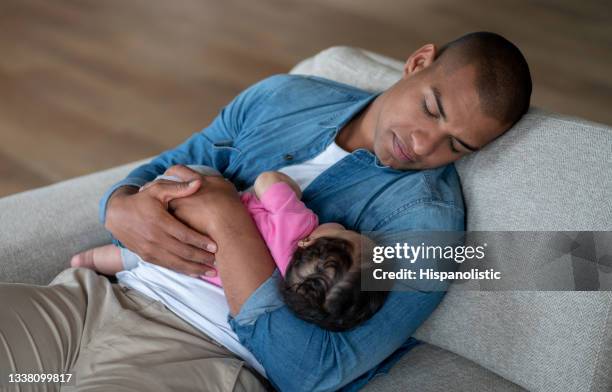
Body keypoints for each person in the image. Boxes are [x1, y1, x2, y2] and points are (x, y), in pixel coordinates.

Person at [0, 31, 532, 391]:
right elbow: (162, 168)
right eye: (431, 109)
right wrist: (118, 206)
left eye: (456, 145)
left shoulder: (426, 228)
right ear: (417, 63)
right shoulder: (282, 98)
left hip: (203, 357)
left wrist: (230, 222)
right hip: (93, 300)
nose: (421, 143)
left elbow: (313, 373)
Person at [72, 166, 388, 332]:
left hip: (186, 209)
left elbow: (267, 180)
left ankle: (88, 257)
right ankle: (90, 260)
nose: (345, 225)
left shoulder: (299, 224)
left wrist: (289, 189)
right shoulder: (280, 287)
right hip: (191, 261)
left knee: (203, 173)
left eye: (346, 231)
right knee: (136, 259)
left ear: (309, 242)